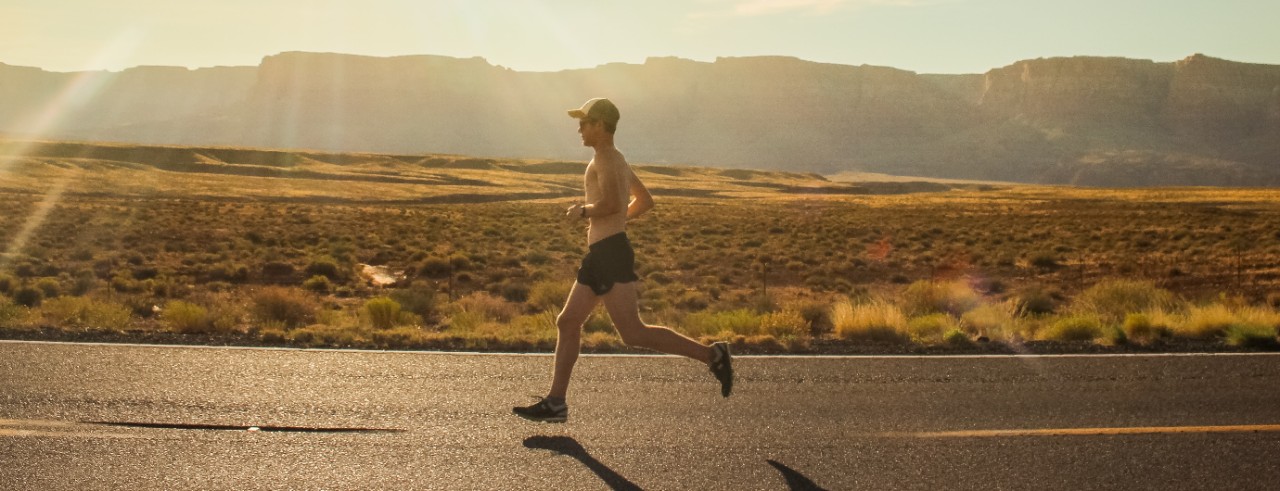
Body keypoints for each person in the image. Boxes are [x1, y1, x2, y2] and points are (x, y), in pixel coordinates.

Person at [513, 98, 734, 423]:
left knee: (632, 332)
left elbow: (615, 202)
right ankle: (556, 402)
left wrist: (584, 212)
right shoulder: (617, 159)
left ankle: (712, 355)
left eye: (585, 122)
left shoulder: (605, 159)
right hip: (603, 253)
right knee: (568, 321)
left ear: (600, 124)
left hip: (611, 254)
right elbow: (643, 201)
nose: (579, 128)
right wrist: (617, 224)